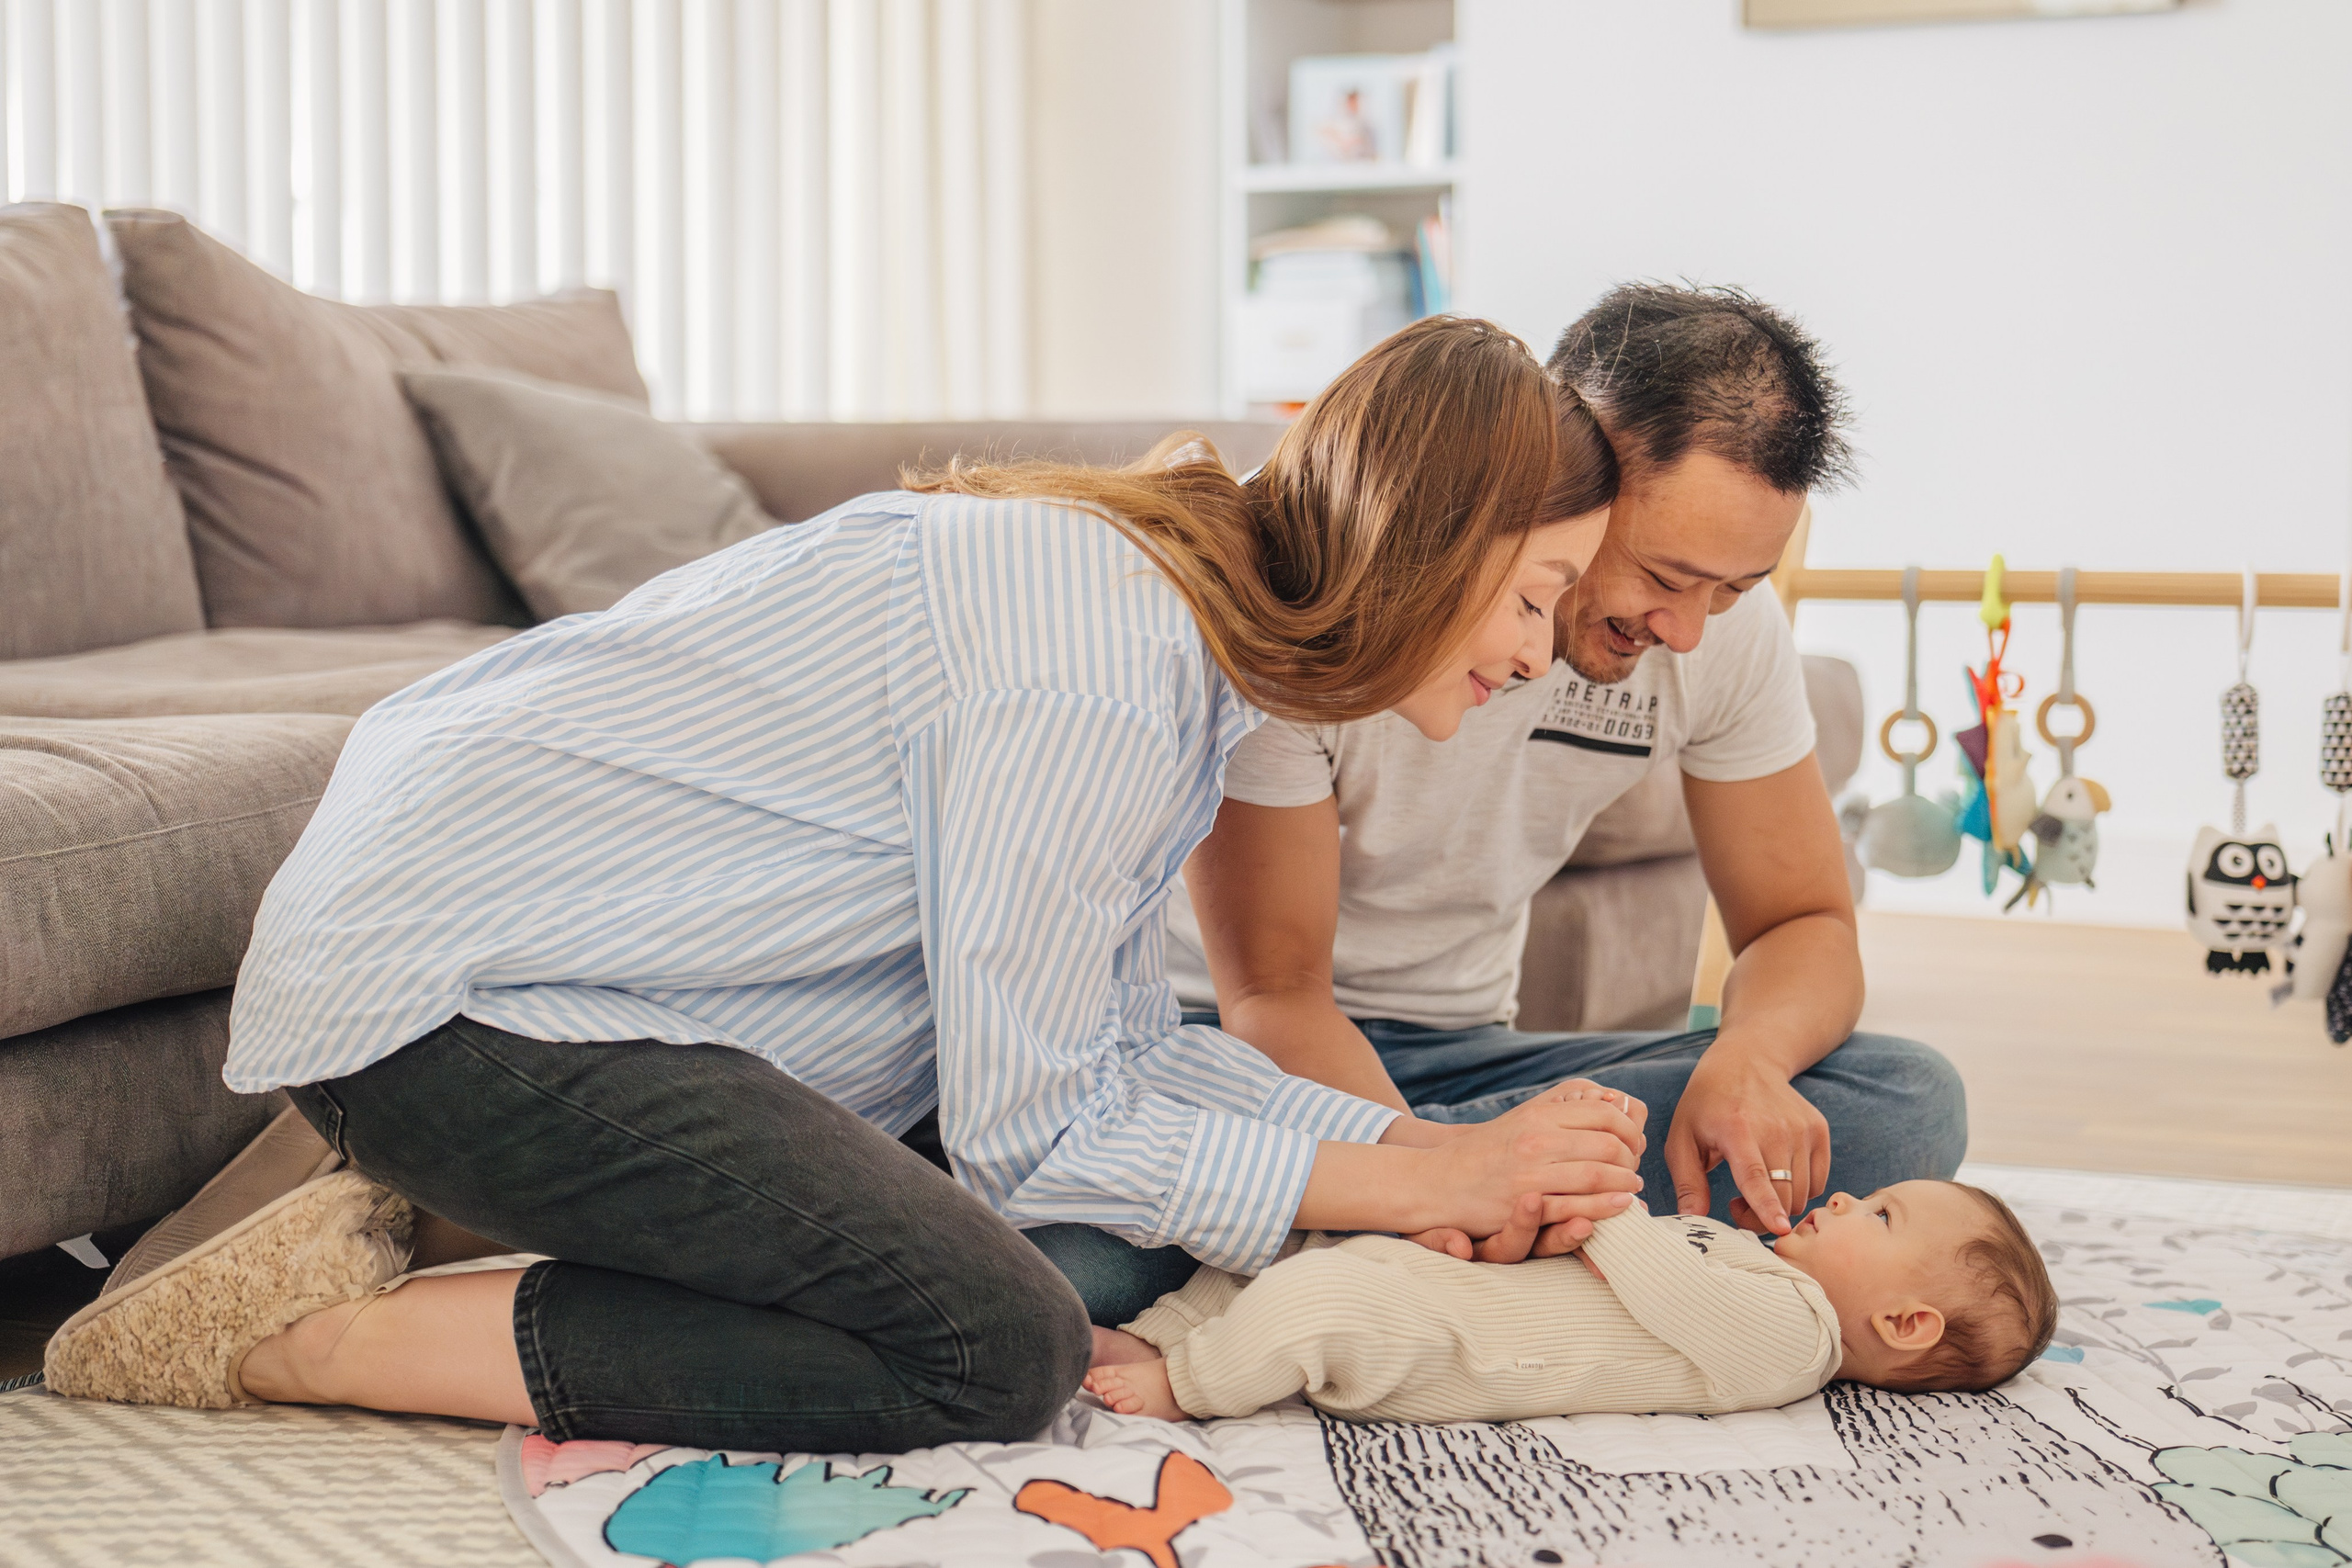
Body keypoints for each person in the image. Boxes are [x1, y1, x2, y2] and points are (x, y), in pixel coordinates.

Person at [44, 317, 1647, 1457]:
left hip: (552, 978)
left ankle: (418, 1207)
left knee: (1092, 1251)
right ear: (1430, 542)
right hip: (442, 1005)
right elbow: (1044, 1132)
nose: (1530, 655)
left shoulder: (1181, 653)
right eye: (1537, 593)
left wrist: (1424, 1147)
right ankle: (307, 1333)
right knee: (993, 1345)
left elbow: (1116, 1049)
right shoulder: (1102, 663)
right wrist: (1429, 1187)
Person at [1135, 286, 1966, 1327]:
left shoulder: (1710, 636)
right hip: (1231, 1046)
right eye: (1667, 576)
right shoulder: (1330, 559)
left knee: (1906, 1102)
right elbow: (1276, 992)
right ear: (1570, 463)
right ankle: (1481, 1217)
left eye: (1734, 591)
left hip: (1461, 1049)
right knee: (1076, 1263)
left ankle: (1412, 1217)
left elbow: (1803, 921)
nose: (1692, 631)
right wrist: (1436, 1178)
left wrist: (1747, 1063)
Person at [1085, 1087, 2055, 1426]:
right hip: (1453, 1282)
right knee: (1291, 1245)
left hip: (1443, 1340)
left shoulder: (1793, 1345)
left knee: (1318, 1302)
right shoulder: (1762, 1266)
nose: (1845, 1196)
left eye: (1877, 1217)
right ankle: (1161, 1335)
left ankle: (1192, 1384)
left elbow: (1670, 1286)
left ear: (1904, 1323)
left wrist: (1599, 1203)